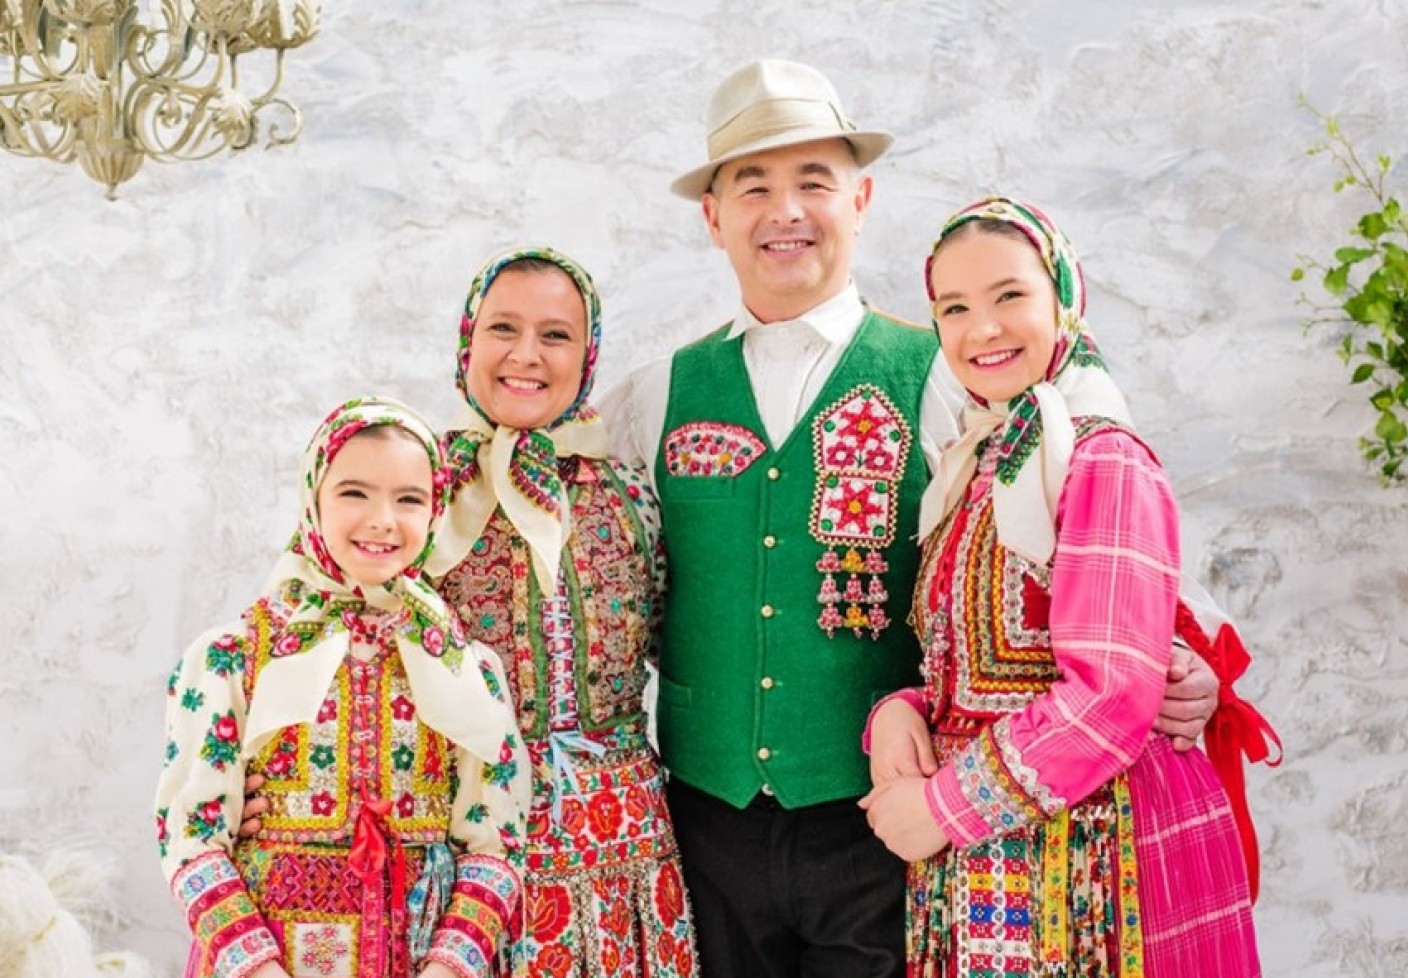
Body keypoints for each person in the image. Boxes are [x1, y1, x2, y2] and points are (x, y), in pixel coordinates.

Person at [600, 60, 1222, 978]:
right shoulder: (649, 397)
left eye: (814, 181)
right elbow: (598, 568)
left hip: (890, 821)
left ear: (860, 199)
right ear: (712, 215)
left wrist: (1177, 649)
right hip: (705, 823)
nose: (785, 211)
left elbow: (1075, 528)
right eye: (753, 187)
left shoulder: (951, 369)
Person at [859, 196, 1270, 976]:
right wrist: (900, 712)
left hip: (1091, 861)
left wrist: (942, 809)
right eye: (954, 307)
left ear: (1064, 298)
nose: (982, 328)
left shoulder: (1101, 456)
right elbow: (979, 662)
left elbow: (1110, 693)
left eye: (1009, 295)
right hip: (986, 861)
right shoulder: (977, 461)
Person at [154, 397, 530, 978]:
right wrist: (260, 970)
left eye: (409, 499)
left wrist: (448, 968)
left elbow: (495, 842)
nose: (382, 519)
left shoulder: (464, 666)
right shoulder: (232, 656)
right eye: (355, 492)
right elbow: (191, 838)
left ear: (436, 510)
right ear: (313, 498)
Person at [424, 247, 699, 978]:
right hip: (458, 848)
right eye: (503, 328)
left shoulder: (631, 494)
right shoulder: (416, 490)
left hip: (615, 847)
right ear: (468, 339)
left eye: (555, 335)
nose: (526, 355)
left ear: (587, 354)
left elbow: (687, 650)